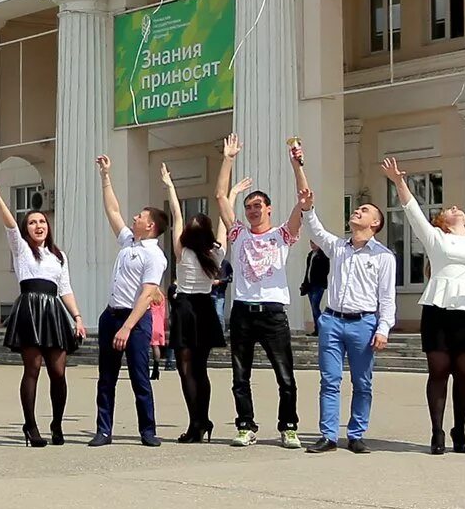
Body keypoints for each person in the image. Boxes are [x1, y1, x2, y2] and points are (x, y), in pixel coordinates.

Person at [384, 156, 465, 455]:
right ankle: (437, 430)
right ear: (442, 220)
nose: (455, 208)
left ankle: (460, 429)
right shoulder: (436, 238)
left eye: (458, 208)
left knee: (464, 371)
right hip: (437, 306)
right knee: (439, 369)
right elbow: (413, 212)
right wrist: (399, 181)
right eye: (449, 209)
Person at [302, 156, 398, 453]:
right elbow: (316, 230)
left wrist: (383, 328)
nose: (358, 210)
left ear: (375, 223)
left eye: (365, 210)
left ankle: (356, 434)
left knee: (362, 382)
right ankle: (329, 435)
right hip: (331, 320)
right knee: (329, 380)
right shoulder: (338, 247)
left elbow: (387, 297)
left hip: (363, 323)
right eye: (357, 209)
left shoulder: (383, 257)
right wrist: (307, 207)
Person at [219, 135, 308, 448]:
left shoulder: (282, 235)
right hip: (243, 311)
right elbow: (219, 196)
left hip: (272, 313)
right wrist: (228, 158)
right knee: (240, 376)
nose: (252, 210)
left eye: (257, 205)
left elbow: (304, 199)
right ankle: (245, 425)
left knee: (285, 376)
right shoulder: (238, 233)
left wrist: (296, 164)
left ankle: (289, 427)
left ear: (268, 208)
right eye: (248, 206)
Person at [0, 176, 84, 446]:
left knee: (58, 371)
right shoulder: (21, 250)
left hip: (53, 311)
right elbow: (8, 224)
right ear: (26, 228)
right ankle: (30, 426)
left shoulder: (58, 255)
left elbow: (65, 288)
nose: (38, 226)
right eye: (32, 222)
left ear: (48, 226)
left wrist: (77, 317)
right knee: (33, 368)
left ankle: (57, 424)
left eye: (41, 222)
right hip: (30, 308)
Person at [90, 154, 169, 448]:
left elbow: (148, 294)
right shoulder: (128, 242)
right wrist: (105, 176)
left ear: (150, 226)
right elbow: (113, 210)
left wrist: (127, 328)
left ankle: (147, 430)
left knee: (139, 378)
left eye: (140, 216)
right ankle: (104, 430)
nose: (134, 218)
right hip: (111, 316)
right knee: (106, 377)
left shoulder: (154, 255)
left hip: (134, 322)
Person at [163, 165, 227, 442]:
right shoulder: (217, 252)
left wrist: (170, 186)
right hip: (205, 309)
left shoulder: (182, 250)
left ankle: (196, 424)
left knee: (185, 369)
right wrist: (230, 195)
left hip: (186, 308)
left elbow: (176, 215)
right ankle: (202, 421)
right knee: (200, 369)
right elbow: (226, 220)